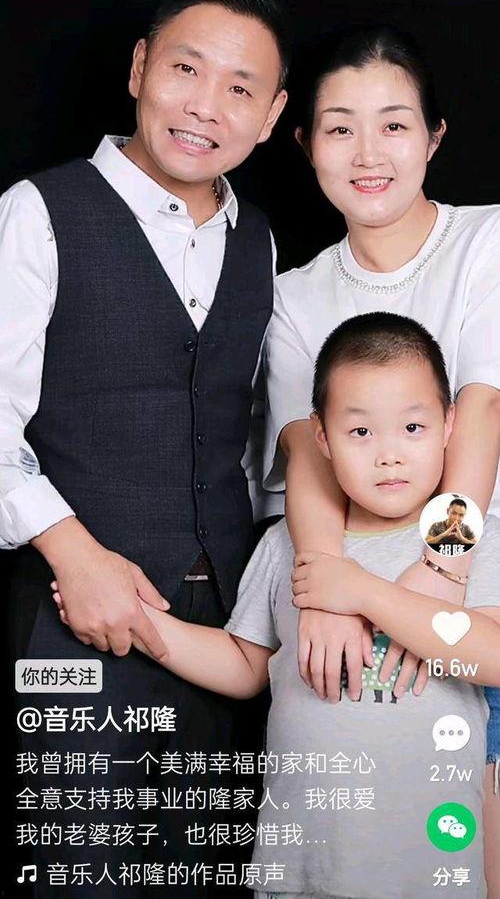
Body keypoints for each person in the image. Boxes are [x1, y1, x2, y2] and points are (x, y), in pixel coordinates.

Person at [54, 313, 500, 899]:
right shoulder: (287, 543)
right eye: (360, 432)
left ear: (448, 426)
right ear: (322, 438)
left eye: (412, 427)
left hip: (426, 869)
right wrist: (138, 620)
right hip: (299, 865)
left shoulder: (471, 543)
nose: (389, 455)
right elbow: (246, 664)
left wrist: (363, 592)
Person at [2, 0, 288, 895]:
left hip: (227, 636)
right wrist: (73, 550)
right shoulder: (39, 211)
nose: (206, 106)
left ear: (272, 115)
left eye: (240, 88)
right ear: (138, 70)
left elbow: (251, 441)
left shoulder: (259, 240)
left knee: (207, 871)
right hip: (73, 617)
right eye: (185, 69)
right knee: (81, 870)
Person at [261, 23, 500, 890]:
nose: (368, 153)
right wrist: (326, 590)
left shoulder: (486, 241)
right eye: (340, 127)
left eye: (394, 124)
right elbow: (303, 445)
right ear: (305, 143)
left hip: (477, 596)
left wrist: (441, 567)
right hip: (365, 600)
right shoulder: (294, 297)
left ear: (434, 137)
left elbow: (483, 408)